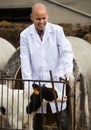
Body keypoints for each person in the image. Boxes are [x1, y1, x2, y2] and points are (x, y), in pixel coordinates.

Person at [20, 3, 74, 130]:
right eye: (38, 19)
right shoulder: (25, 35)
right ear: (31, 17)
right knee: (37, 114)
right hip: (37, 80)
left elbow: (66, 51)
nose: (41, 22)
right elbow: (25, 59)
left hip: (56, 78)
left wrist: (68, 71)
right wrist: (27, 82)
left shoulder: (57, 31)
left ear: (47, 17)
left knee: (61, 114)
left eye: (44, 18)